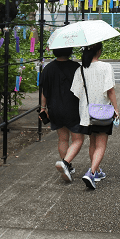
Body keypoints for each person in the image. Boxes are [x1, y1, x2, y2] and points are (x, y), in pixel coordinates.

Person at [70, 41, 119, 190]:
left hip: (87, 113)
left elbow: (76, 92)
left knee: (92, 143)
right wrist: (116, 109)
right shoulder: (106, 67)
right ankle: (91, 173)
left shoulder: (81, 70)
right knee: (101, 145)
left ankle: (97, 171)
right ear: (99, 51)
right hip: (103, 112)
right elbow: (110, 91)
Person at [38, 47, 84, 182]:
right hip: (73, 108)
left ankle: (67, 167)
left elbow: (44, 91)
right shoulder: (76, 67)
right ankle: (65, 163)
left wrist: (43, 108)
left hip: (54, 109)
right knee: (78, 140)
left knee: (63, 139)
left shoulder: (48, 68)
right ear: (69, 51)